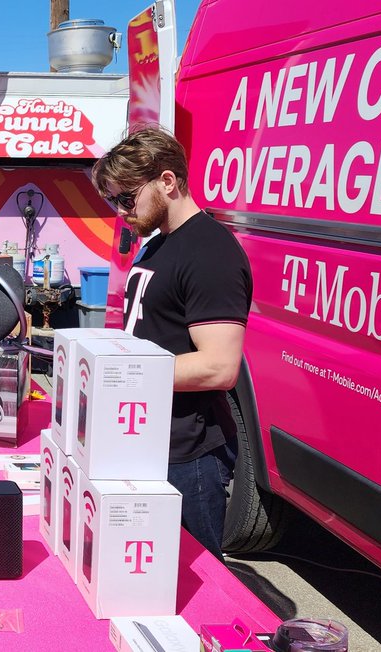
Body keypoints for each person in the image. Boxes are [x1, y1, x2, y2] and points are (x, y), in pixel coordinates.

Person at [90, 126, 251, 560]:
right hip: (146, 440)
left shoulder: (210, 252)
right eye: (113, 201)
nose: (121, 212)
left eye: (127, 198)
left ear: (167, 181)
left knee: (195, 585)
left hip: (188, 455)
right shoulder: (159, 244)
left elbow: (220, 366)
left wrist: (118, 374)